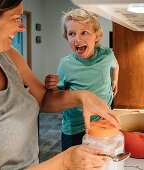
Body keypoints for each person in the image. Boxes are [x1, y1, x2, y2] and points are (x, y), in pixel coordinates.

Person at [0, 0, 120, 169]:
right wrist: (65, 161)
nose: (22, 28)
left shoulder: (8, 55)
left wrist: (82, 96)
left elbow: (43, 99)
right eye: (16, 18)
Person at [43, 8, 120, 151]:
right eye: (71, 34)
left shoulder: (107, 55)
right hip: (74, 128)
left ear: (96, 36)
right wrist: (51, 86)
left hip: (102, 123)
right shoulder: (65, 64)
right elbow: (57, 94)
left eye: (84, 32)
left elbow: (116, 65)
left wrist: (115, 81)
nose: (77, 39)